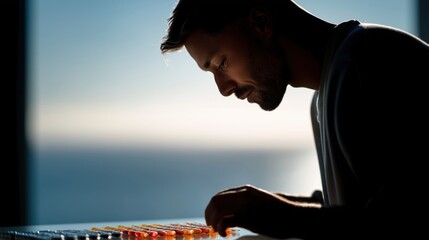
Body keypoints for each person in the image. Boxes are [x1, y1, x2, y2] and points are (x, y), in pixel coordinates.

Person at [160, 0, 429, 239]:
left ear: (261, 23)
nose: (224, 88)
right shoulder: (327, 91)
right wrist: (267, 208)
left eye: (221, 63)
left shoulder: (368, 62)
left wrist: (285, 218)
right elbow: (358, 207)